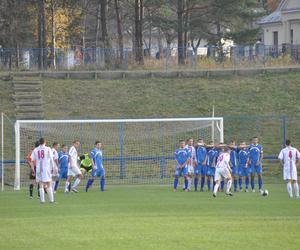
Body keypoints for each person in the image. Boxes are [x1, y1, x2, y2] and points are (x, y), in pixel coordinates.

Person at [30, 138, 55, 203]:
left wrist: (32, 168)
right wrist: (53, 168)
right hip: (46, 168)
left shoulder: (35, 149)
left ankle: (42, 200)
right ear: (45, 142)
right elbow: (52, 159)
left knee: (40, 184)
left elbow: (32, 160)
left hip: (38, 169)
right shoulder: (48, 149)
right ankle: (51, 200)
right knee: (49, 183)